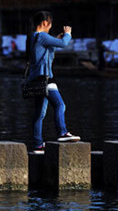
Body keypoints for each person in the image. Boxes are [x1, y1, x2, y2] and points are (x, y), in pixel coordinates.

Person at [26, 11, 80, 154]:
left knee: (39, 114)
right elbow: (64, 43)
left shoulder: (33, 37)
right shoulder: (42, 36)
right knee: (60, 104)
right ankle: (62, 133)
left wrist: (55, 39)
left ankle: (38, 145)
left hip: (36, 79)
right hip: (45, 79)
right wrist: (67, 34)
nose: (50, 27)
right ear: (45, 23)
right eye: (50, 24)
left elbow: (49, 49)